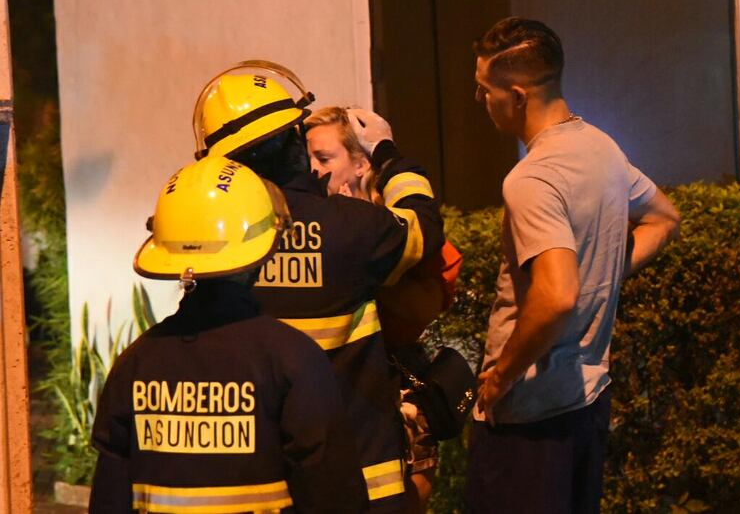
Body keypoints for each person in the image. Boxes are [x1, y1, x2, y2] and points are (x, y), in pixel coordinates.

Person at [192, 61, 445, 512]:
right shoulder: (353, 228)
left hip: (265, 487)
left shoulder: (216, 241)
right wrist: (387, 154)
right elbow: (423, 231)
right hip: (365, 477)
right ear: (294, 139)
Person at [467, 17, 681, 513]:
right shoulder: (601, 148)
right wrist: (602, 272)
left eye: (485, 90)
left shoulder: (531, 179)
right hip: (587, 405)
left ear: (517, 96)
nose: (480, 102)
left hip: (528, 420)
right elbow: (664, 220)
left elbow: (557, 295)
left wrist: (500, 377)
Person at [89, 155, 369, 513]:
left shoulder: (135, 364)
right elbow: (333, 497)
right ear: (262, 249)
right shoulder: (293, 360)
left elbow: (110, 500)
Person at [306, 106, 461, 513]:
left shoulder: (382, 225)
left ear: (360, 164)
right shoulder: (307, 229)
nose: (312, 169)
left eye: (324, 158)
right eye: (306, 158)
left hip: (391, 395)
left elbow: (428, 296)